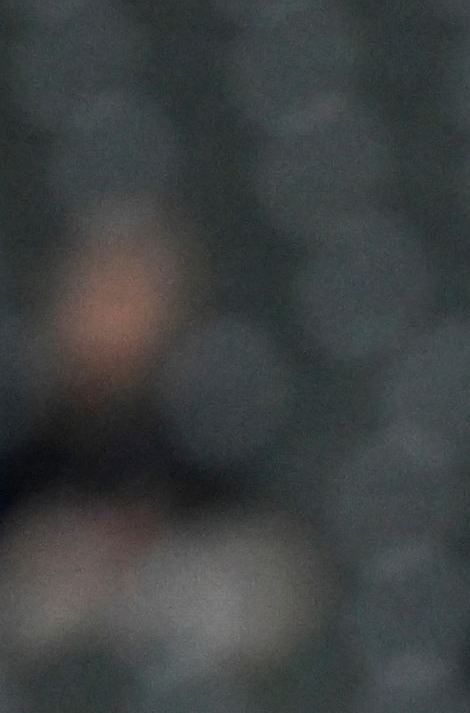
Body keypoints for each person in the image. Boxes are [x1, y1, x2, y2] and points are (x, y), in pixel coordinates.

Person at [0, 205, 314, 667]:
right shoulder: (21, 437)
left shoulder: (216, 443)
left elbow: (278, 584)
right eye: (97, 294)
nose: (112, 320)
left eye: (131, 297)